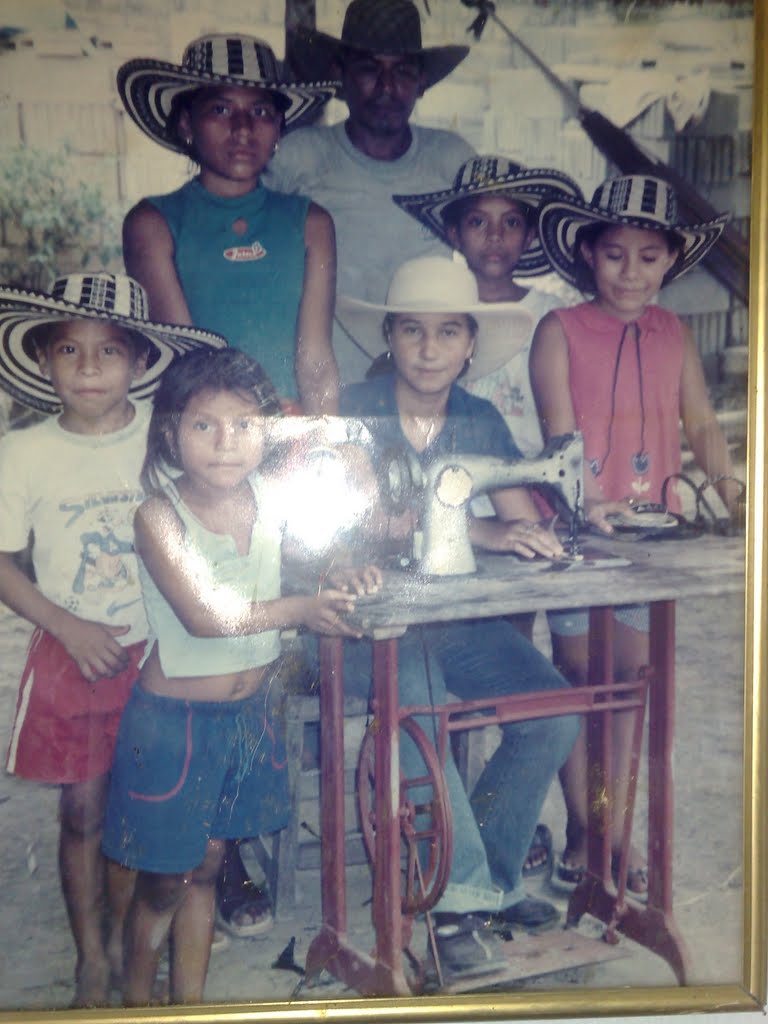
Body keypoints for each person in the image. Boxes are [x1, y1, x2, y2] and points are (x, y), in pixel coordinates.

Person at [101, 348, 378, 1006]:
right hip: (174, 728)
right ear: (170, 432)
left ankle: (189, 1006)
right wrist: (305, 609)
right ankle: (136, 1004)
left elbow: (330, 535)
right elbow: (206, 615)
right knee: (164, 882)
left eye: (244, 426)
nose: (226, 444)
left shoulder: (273, 498)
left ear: (267, 434)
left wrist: (340, 567)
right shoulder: (158, 517)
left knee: (208, 867)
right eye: (204, 426)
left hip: (246, 719)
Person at [331, 255, 580, 982]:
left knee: (553, 709)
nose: (430, 348)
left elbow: (516, 514)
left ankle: (494, 880)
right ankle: (453, 903)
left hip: (440, 619)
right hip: (351, 617)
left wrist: (525, 534)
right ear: (389, 337)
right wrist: (476, 532)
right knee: (420, 700)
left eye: (448, 333)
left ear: (472, 343)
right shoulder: (350, 409)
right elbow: (338, 528)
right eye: (413, 331)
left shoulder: (479, 417)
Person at [0, 272, 224, 1007]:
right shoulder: (23, 451)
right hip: (74, 653)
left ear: (137, 361)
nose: (89, 368)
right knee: (82, 810)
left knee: (145, 809)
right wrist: (64, 624)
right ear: (41, 360)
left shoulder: (165, 438)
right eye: (68, 349)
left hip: (161, 651)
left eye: (107, 352)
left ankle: (135, 950)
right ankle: (89, 956)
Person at [530, 173, 742, 893]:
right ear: (588, 253)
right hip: (577, 540)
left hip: (653, 543)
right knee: (580, 685)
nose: (631, 272)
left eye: (649, 257)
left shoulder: (672, 331)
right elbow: (560, 439)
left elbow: (704, 424)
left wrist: (732, 492)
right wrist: (586, 506)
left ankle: (613, 833)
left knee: (631, 688)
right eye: (615, 253)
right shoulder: (558, 330)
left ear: (669, 262)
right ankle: (584, 835)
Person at [118, 33, 339, 413]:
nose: (242, 129)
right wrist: (257, 414)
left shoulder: (311, 223)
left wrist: (321, 436)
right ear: (187, 124)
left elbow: (316, 362)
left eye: (261, 112)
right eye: (220, 110)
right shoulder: (153, 223)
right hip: (204, 428)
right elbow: (188, 362)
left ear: (280, 127)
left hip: (291, 429)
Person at [264, 0, 475, 384]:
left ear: (422, 82)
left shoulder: (450, 158)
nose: (386, 88)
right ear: (339, 74)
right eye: (368, 69)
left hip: (425, 386)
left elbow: (490, 261)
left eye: (403, 73)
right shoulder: (303, 156)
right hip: (324, 385)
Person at [393, 154, 583, 457]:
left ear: (530, 236)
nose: (495, 236)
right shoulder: (436, 310)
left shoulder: (551, 315)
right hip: (449, 473)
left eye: (511, 222)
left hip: (528, 480)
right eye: (478, 221)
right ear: (454, 233)